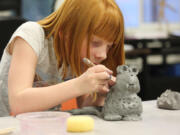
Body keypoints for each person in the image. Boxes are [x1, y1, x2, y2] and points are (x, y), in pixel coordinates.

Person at [0, 0, 125, 116]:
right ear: (66, 33)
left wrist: (99, 95)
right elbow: (18, 104)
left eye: (109, 46)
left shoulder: (80, 55)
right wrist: (79, 85)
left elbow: (82, 106)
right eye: (95, 43)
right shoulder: (31, 34)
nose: (103, 55)